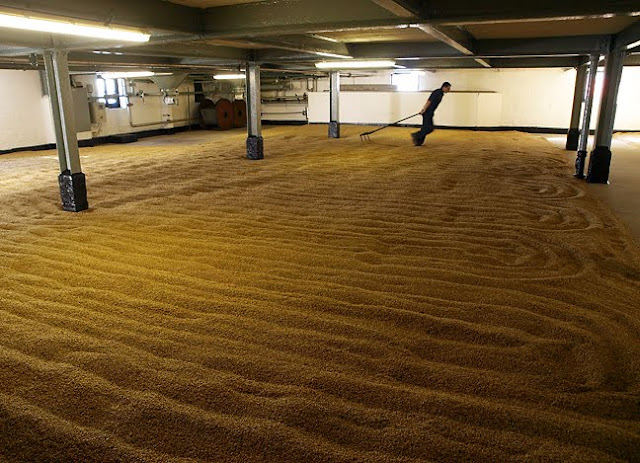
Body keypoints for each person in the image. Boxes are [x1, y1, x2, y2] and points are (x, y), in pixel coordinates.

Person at [411, 82, 451, 146]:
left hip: (430, 112)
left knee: (425, 128)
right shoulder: (437, 92)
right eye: (448, 88)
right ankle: (416, 135)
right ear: (444, 87)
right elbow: (429, 101)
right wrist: (424, 109)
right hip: (427, 112)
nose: (449, 90)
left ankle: (418, 142)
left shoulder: (441, 94)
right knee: (429, 128)